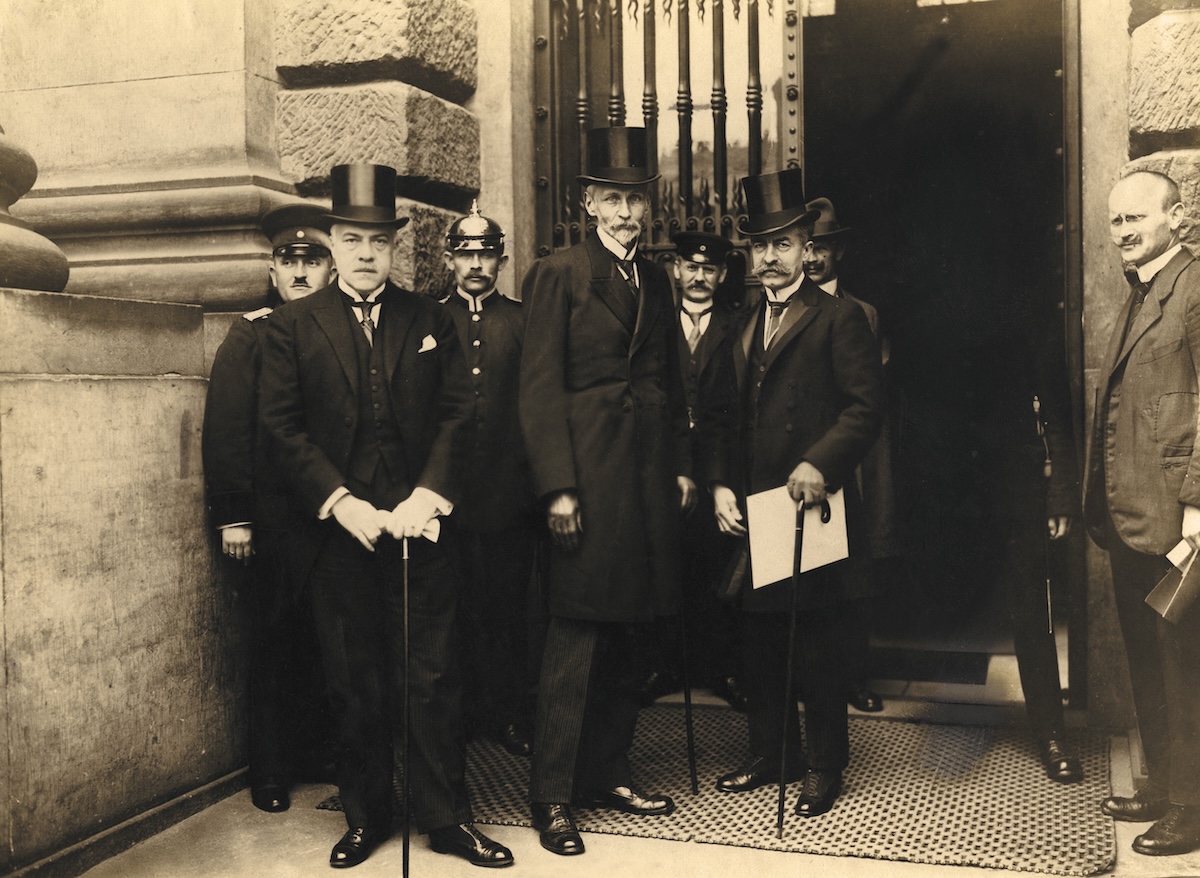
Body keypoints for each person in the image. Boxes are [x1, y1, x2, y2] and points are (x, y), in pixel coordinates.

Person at [260, 163, 513, 869]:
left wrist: (426, 498)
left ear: (397, 244)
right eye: (351, 238)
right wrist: (343, 505)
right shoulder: (290, 327)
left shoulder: (430, 319)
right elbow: (281, 429)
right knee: (354, 680)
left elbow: (458, 416)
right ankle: (367, 817)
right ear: (333, 243)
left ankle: (446, 820)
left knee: (432, 680)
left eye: (378, 239)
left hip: (420, 529)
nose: (366, 252)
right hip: (341, 536)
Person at [519, 126, 695, 856]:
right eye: (613, 199)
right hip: (586, 482)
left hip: (647, 481)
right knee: (576, 638)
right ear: (587, 202)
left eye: (636, 201)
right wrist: (558, 487)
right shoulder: (558, 272)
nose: (626, 214)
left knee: (630, 636)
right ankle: (553, 796)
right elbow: (537, 389)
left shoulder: (654, 279)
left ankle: (609, 772)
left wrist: (681, 466)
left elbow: (670, 381)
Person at [704, 167, 883, 818]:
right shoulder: (739, 322)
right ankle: (771, 752)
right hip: (755, 506)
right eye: (759, 246)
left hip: (812, 505)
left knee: (818, 641)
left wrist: (819, 463)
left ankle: (823, 765)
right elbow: (722, 417)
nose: (770, 257)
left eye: (782, 243)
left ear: (807, 245)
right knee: (760, 639)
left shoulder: (839, 319)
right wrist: (721, 484)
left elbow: (864, 411)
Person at [202, 202, 335, 813]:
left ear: (331, 269)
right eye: (290, 261)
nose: (302, 273)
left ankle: (322, 753)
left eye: (313, 260)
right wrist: (234, 515)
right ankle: (271, 771)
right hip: (272, 524)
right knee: (273, 643)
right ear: (272, 270)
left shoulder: (337, 331)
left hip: (330, 520)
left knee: (327, 640)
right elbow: (227, 430)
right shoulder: (251, 333)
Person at [1083, 169, 1200, 856]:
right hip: (1130, 517)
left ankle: (1192, 805)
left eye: (1137, 218)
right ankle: (1162, 784)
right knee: (1150, 663)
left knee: (1183, 665)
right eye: (1115, 221)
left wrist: (1195, 505)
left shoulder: (1192, 287)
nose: (1124, 231)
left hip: (1175, 522)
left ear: (1177, 218)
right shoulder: (1139, 289)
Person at [433, 201, 537, 758]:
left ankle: (510, 713)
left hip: (507, 494)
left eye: (486, 254)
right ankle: (461, 714)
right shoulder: (429, 321)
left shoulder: (521, 320)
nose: (476, 264)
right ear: (449, 260)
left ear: (500, 261)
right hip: (446, 497)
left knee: (507, 610)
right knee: (452, 610)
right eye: (466, 254)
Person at [800, 197, 892, 715]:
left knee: (855, 571)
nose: (813, 259)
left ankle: (854, 677)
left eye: (822, 249)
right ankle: (812, 680)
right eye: (806, 249)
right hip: (808, 455)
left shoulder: (863, 313)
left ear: (839, 253)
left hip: (854, 456)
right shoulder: (785, 307)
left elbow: (868, 393)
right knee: (810, 566)